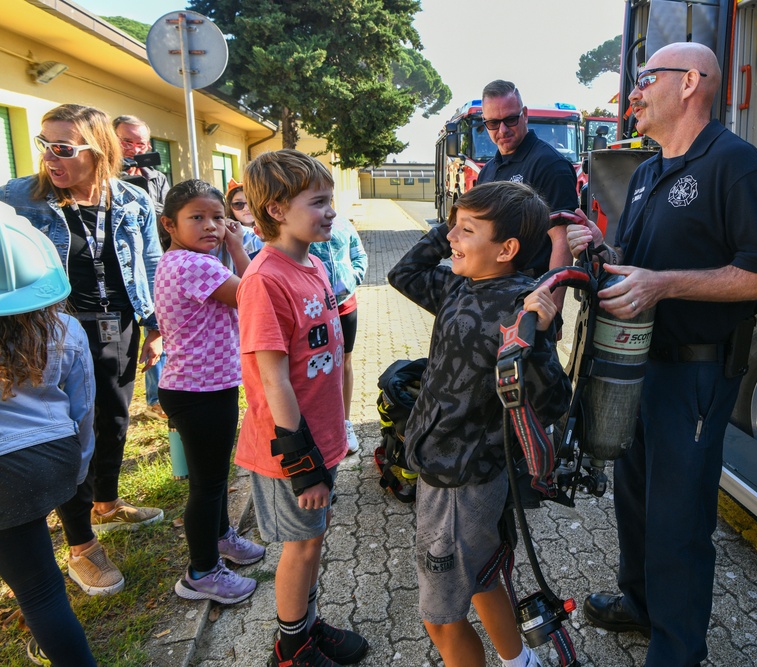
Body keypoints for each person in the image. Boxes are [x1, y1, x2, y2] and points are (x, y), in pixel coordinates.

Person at [567, 43, 757, 666]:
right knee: (634, 495)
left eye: (646, 79)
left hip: (695, 372)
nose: (634, 92)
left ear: (691, 82)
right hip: (638, 367)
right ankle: (640, 603)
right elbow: (638, 266)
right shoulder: (646, 172)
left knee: (678, 517)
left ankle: (675, 649)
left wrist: (663, 284)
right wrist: (600, 249)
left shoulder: (737, 166)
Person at [388, 181, 572, 667]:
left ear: (506, 249)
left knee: (441, 618)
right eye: (454, 226)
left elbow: (554, 401)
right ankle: (521, 661)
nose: (451, 237)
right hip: (445, 470)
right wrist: (452, 228)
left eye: (467, 229)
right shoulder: (458, 286)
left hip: (461, 481)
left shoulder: (518, 306)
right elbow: (402, 272)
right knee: (485, 576)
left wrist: (540, 330)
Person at [0, 103, 165, 598]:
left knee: (113, 420)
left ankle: (104, 505)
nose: (50, 157)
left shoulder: (132, 201)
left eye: (62, 148)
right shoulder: (17, 199)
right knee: (71, 433)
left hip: (118, 328)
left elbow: (150, 263)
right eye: (44, 144)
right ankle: (82, 548)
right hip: (53, 334)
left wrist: (155, 326)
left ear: (99, 150)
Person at [0, 197, 97, 665]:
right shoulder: (65, 327)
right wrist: (78, 466)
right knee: (36, 546)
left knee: (41, 594)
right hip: (59, 460)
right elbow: (84, 408)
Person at [234, 149, 369, 667]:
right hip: (290, 450)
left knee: (314, 540)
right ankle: (290, 648)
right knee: (300, 547)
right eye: (318, 202)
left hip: (322, 439)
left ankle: (307, 625)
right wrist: (303, 461)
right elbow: (272, 382)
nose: (330, 211)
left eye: (330, 199)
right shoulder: (265, 280)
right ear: (275, 210)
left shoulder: (312, 262)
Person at [153, 179, 265, 604]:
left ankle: (221, 538)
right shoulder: (195, 266)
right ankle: (201, 573)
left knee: (211, 481)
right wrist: (239, 249)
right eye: (196, 218)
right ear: (169, 224)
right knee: (207, 485)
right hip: (199, 391)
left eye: (218, 217)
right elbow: (253, 296)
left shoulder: (179, 259)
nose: (211, 226)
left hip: (199, 386)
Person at [475, 80, 577, 311]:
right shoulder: (488, 171)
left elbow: (562, 240)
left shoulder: (549, 165)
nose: (503, 130)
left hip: (529, 296)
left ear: (525, 115)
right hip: (492, 292)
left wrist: (554, 309)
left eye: (510, 119)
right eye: (493, 123)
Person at [113, 115, 171, 420]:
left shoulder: (156, 177)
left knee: (158, 325)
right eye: (128, 141)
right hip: (118, 269)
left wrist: (143, 193)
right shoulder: (103, 175)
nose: (135, 148)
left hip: (151, 261)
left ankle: (156, 398)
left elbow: (166, 215)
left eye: (141, 142)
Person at [309, 215, 368, 454]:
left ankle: (345, 423)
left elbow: (359, 254)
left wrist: (352, 279)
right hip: (314, 309)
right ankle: (318, 427)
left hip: (345, 306)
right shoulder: (302, 225)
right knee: (316, 366)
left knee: (344, 362)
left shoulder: (344, 224)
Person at [225, 179, 265, 257]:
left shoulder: (274, 230)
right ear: (230, 208)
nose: (246, 208)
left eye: (251, 203)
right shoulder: (224, 232)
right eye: (238, 204)